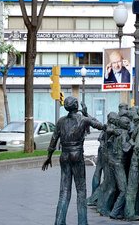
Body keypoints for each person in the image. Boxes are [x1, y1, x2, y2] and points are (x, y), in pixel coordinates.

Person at [42, 96, 106, 225]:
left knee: (64, 191)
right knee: (81, 190)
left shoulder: (61, 121)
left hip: (64, 156)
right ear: (77, 106)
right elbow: (101, 126)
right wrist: (86, 113)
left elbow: (54, 139)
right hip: (77, 155)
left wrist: (48, 157)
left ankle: (59, 222)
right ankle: (82, 222)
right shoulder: (83, 119)